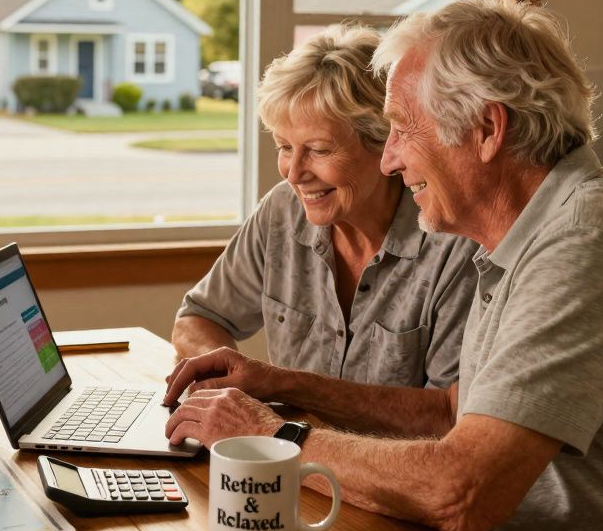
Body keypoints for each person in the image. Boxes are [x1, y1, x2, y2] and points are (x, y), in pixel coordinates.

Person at [164, 0, 603, 531]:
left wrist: (271, 439)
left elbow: (461, 492)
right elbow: (457, 413)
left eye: (401, 130)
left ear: (486, 128)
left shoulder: (586, 244)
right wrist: (277, 386)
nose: (391, 161)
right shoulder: (519, 236)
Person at [170, 24, 479, 430]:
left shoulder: (453, 243)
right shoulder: (282, 210)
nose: (294, 173)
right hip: (287, 466)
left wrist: (286, 385)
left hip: (391, 482)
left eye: (317, 150)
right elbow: (197, 318)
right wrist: (226, 386)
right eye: (284, 147)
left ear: (384, 145)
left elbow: (448, 414)